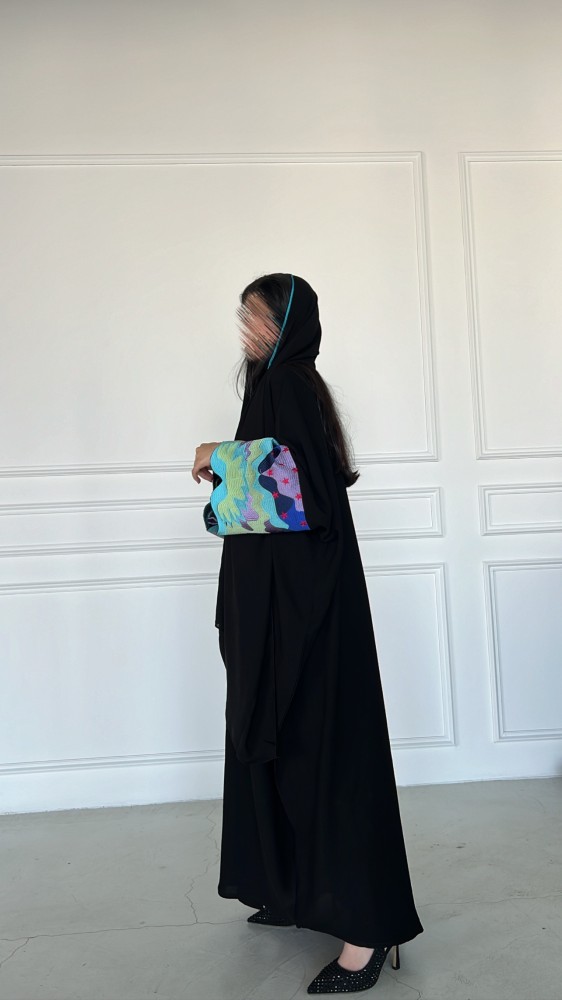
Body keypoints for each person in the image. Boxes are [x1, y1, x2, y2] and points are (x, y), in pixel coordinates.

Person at [192, 273, 424, 994]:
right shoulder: (276, 386)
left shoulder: (288, 385)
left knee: (322, 755)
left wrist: (218, 456)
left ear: (289, 323)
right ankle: (291, 885)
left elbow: (306, 495)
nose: (247, 329)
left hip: (306, 614)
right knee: (286, 747)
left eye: (258, 318)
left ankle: (368, 932)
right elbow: (278, 494)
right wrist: (229, 467)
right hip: (284, 606)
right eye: (244, 317)